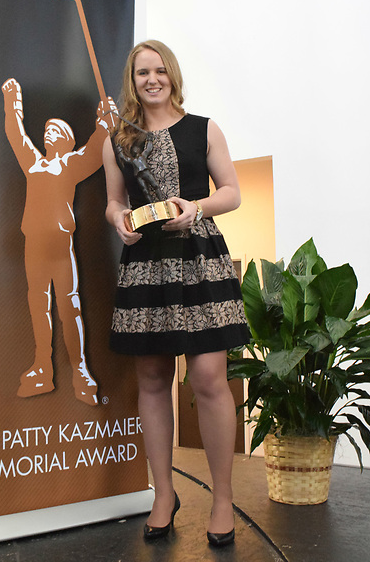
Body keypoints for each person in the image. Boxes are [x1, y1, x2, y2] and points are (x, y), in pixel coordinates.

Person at [102, 41, 249, 547]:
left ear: (172, 75)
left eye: (160, 70)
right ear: (132, 79)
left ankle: (224, 499)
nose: (152, 79)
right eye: (142, 72)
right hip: (145, 265)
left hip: (199, 258)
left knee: (210, 378)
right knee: (152, 376)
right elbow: (113, 203)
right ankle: (163, 493)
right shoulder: (118, 139)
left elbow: (231, 191)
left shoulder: (203, 128)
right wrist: (118, 221)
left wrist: (199, 207)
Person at [2, 77, 116, 406]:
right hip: (34, 247)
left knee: (70, 307)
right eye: (47, 128)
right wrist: (13, 104)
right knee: (38, 306)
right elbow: (16, 135)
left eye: (57, 129)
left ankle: (80, 371)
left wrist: (105, 121)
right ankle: (42, 366)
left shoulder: (69, 165)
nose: (49, 131)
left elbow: (95, 149)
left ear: (66, 141)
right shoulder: (34, 165)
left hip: (61, 250)